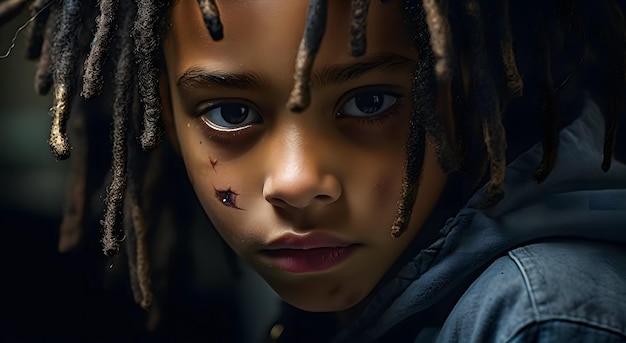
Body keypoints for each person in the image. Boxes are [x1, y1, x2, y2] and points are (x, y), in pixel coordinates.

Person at [2, 0, 626, 342]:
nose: (296, 182)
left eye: (370, 102)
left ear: (467, 87)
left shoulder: (538, 322)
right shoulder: (352, 299)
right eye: (228, 111)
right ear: (161, 112)